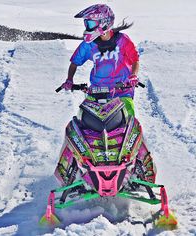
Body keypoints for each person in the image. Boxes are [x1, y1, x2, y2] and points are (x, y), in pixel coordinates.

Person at [61, 4, 156, 183]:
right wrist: (69, 79)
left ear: (103, 23)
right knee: (82, 126)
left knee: (130, 127)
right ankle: (73, 169)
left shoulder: (123, 40)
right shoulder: (88, 45)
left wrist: (133, 76)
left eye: (89, 23)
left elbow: (135, 59)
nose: (86, 28)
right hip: (95, 92)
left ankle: (142, 168)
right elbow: (75, 62)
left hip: (122, 92)